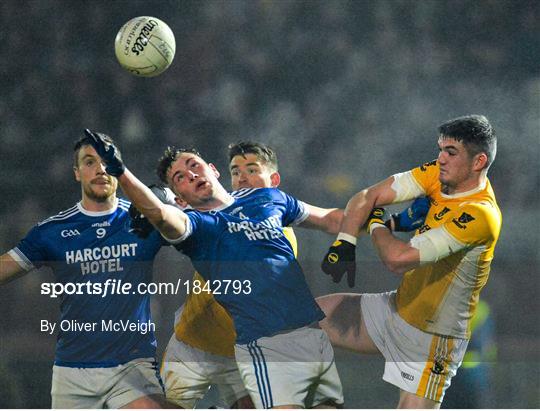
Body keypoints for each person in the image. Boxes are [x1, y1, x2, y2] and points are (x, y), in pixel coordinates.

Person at [85, 130, 345, 409]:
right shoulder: (198, 226)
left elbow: (330, 219)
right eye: (180, 178)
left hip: (246, 348)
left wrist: (376, 220)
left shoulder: (274, 214)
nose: (243, 177)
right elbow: (166, 219)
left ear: (212, 170)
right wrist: (145, 195)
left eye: (194, 166)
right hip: (194, 344)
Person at [318, 114, 502, 408]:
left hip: (433, 338)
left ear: (478, 162)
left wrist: (379, 223)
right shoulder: (437, 174)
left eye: (450, 153)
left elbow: (397, 259)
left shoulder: (480, 215)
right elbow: (367, 196)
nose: (440, 159)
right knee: (299, 320)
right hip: (396, 308)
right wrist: (346, 242)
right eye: (440, 149)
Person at [0, 134, 168, 409]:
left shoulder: (145, 221)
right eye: (90, 162)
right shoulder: (51, 231)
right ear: (77, 173)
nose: (101, 169)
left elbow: (194, 229)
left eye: (107, 162)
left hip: (132, 365)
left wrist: (166, 199)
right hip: (73, 371)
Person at [159, 142, 292, 408]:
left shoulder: (284, 229)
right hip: (193, 346)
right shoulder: (206, 218)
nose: (243, 178)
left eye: (252, 170)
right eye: (238, 172)